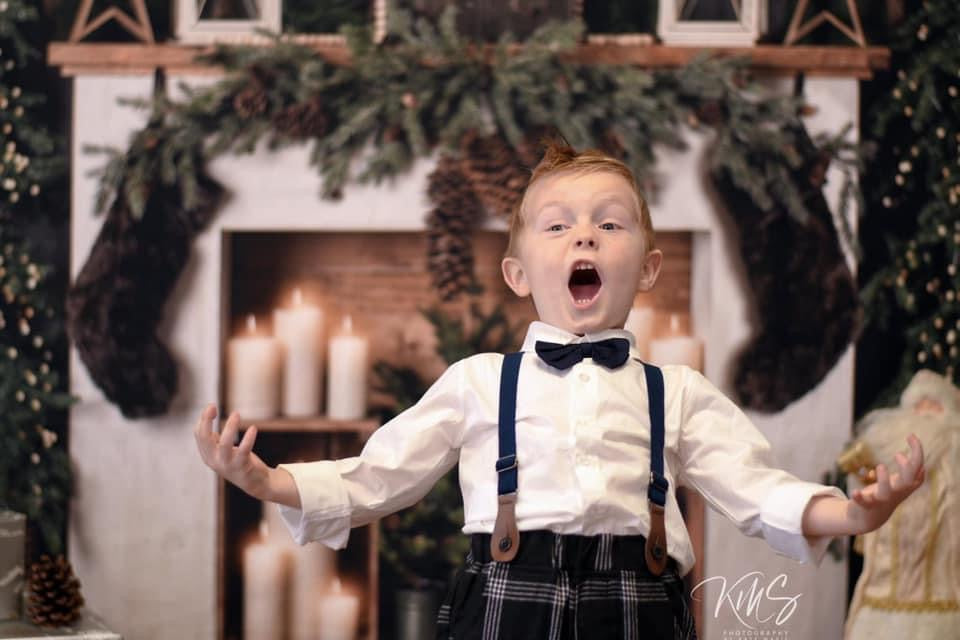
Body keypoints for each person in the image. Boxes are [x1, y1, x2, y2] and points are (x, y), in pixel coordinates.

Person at [194, 138, 926, 639]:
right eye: (558, 225)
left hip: (638, 605)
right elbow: (378, 477)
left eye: (610, 224)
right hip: (506, 602)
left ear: (646, 268)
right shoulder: (478, 383)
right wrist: (267, 480)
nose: (584, 236)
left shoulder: (678, 391)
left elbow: (756, 489)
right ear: (518, 273)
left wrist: (853, 517)